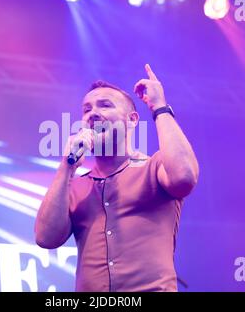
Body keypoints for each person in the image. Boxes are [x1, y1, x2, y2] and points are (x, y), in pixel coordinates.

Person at [35, 64, 199, 292]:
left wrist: (159, 107)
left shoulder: (154, 168)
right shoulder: (76, 184)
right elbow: (46, 238)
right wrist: (66, 167)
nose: (92, 113)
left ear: (132, 120)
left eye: (105, 105)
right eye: (86, 109)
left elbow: (184, 177)